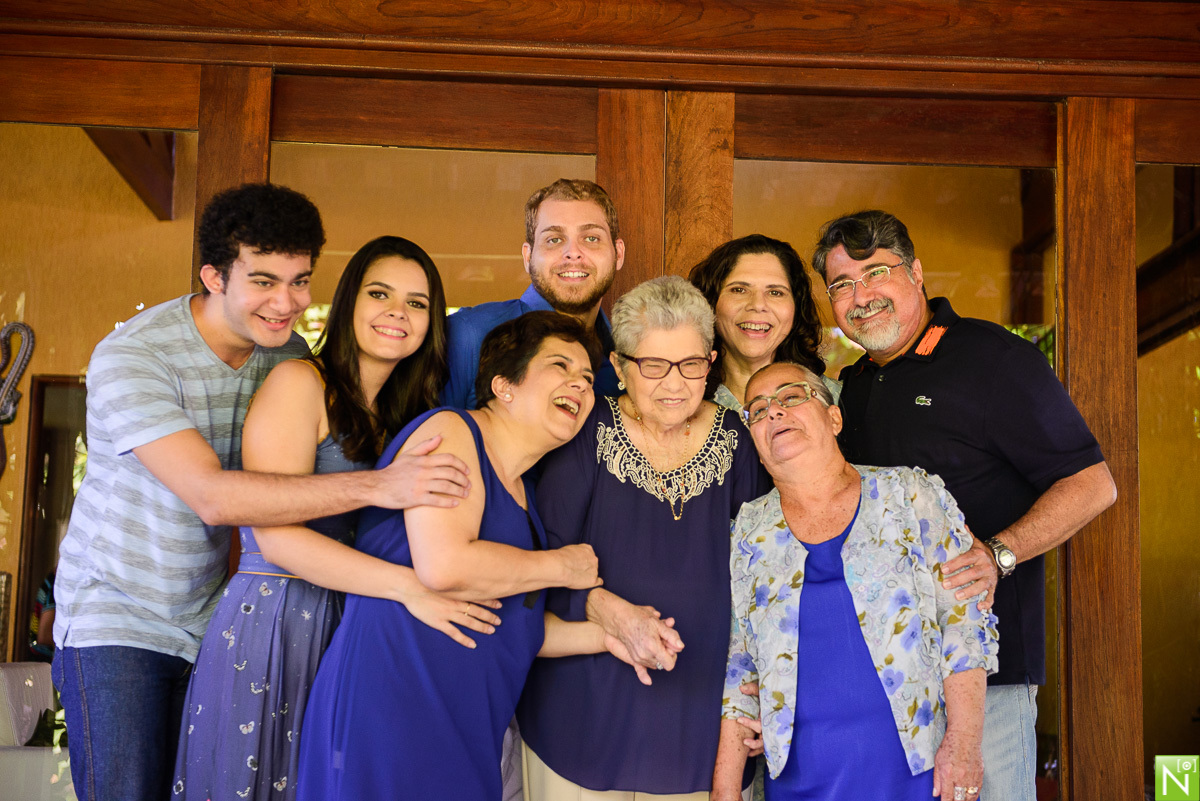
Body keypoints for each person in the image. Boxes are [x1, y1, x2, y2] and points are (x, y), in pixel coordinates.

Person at [51, 184, 470, 801]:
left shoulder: (285, 352)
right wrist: (381, 486)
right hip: (120, 616)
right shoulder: (135, 356)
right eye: (264, 281)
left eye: (299, 282)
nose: (286, 302)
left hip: (211, 612)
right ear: (213, 277)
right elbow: (214, 498)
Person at [171, 236, 500, 801]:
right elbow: (277, 542)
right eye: (380, 294)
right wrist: (412, 589)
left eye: (417, 303)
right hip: (277, 620)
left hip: (359, 624)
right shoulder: (300, 382)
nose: (398, 312)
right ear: (349, 302)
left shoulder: (412, 417)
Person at [812, 210, 1117, 801]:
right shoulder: (854, 385)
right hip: (887, 681)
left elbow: (1091, 483)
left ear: (917, 272)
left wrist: (1000, 553)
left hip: (990, 677)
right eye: (842, 284)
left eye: (876, 273)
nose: (861, 296)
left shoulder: (992, 359)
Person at [298, 311, 645, 801]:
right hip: (392, 710)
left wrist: (610, 637)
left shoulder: (526, 494)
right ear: (503, 386)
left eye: (588, 378)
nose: (581, 384)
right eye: (560, 366)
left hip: (466, 728)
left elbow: (510, 623)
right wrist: (562, 566)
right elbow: (446, 566)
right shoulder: (452, 432)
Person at [517, 276, 769, 800]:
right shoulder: (586, 429)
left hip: (701, 721)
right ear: (618, 366)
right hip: (584, 714)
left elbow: (766, 581)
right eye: (653, 365)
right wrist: (606, 609)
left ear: (711, 362)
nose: (674, 383)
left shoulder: (737, 440)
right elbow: (539, 562)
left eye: (691, 364)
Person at [713, 361, 999, 801]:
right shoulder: (748, 531)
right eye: (758, 410)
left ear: (834, 418)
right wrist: (725, 792)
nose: (774, 412)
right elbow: (739, 668)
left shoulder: (909, 494)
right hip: (799, 783)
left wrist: (963, 743)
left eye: (791, 396)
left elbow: (964, 625)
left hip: (917, 774)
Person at [442, 178, 625, 408]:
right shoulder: (468, 335)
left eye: (591, 238)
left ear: (618, 254)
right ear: (528, 257)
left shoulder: (629, 359)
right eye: (554, 239)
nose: (573, 253)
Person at [689, 234, 838, 413]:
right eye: (739, 290)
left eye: (775, 292)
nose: (758, 305)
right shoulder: (681, 399)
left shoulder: (836, 399)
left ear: (796, 308)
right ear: (710, 303)